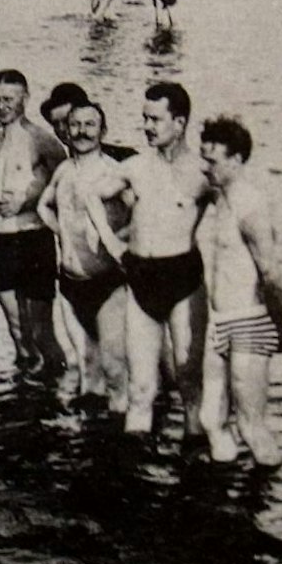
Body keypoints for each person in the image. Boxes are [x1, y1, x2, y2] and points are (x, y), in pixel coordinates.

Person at [91, 81, 208, 439]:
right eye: (144, 118)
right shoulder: (137, 168)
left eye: (155, 119)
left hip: (184, 279)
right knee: (141, 386)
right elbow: (93, 196)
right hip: (141, 276)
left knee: (189, 383)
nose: (147, 126)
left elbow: (232, 219)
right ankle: (136, 481)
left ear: (180, 122)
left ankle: (195, 469)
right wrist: (112, 243)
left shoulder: (202, 172)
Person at [195, 116, 282, 466]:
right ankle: (227, 507)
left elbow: (272, 274)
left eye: (212, 161)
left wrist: (279, 325)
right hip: (219, 321)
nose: (206, 168)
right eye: (204, 159)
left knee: (251, 425)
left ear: (236, 160)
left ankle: (270, 500)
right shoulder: (218, 202)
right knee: (210, 420)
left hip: (249, 321)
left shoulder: (252, 207)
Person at [37, 102, 133, 404]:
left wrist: (115, 240)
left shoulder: (113, 173)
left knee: (115, 368)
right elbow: (43, 206)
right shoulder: (64, 170)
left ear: (103, 131)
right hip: (69, 283)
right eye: (75, 124)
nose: (82, 131)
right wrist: (62, 233)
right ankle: (91, 442)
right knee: (88, 367)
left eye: (90, 125)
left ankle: (123, 433)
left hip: (106, 282)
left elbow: (143, 217)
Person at [0, 70, 67, 375]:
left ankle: (55, 388)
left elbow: (66, 183)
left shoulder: (42, 140)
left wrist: (28, 200)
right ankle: (24, 396)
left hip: (33, 238)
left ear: (25, 99)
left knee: (40, 330)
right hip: (2, 240)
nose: (1, 106)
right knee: (16, 330)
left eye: (9, 99)